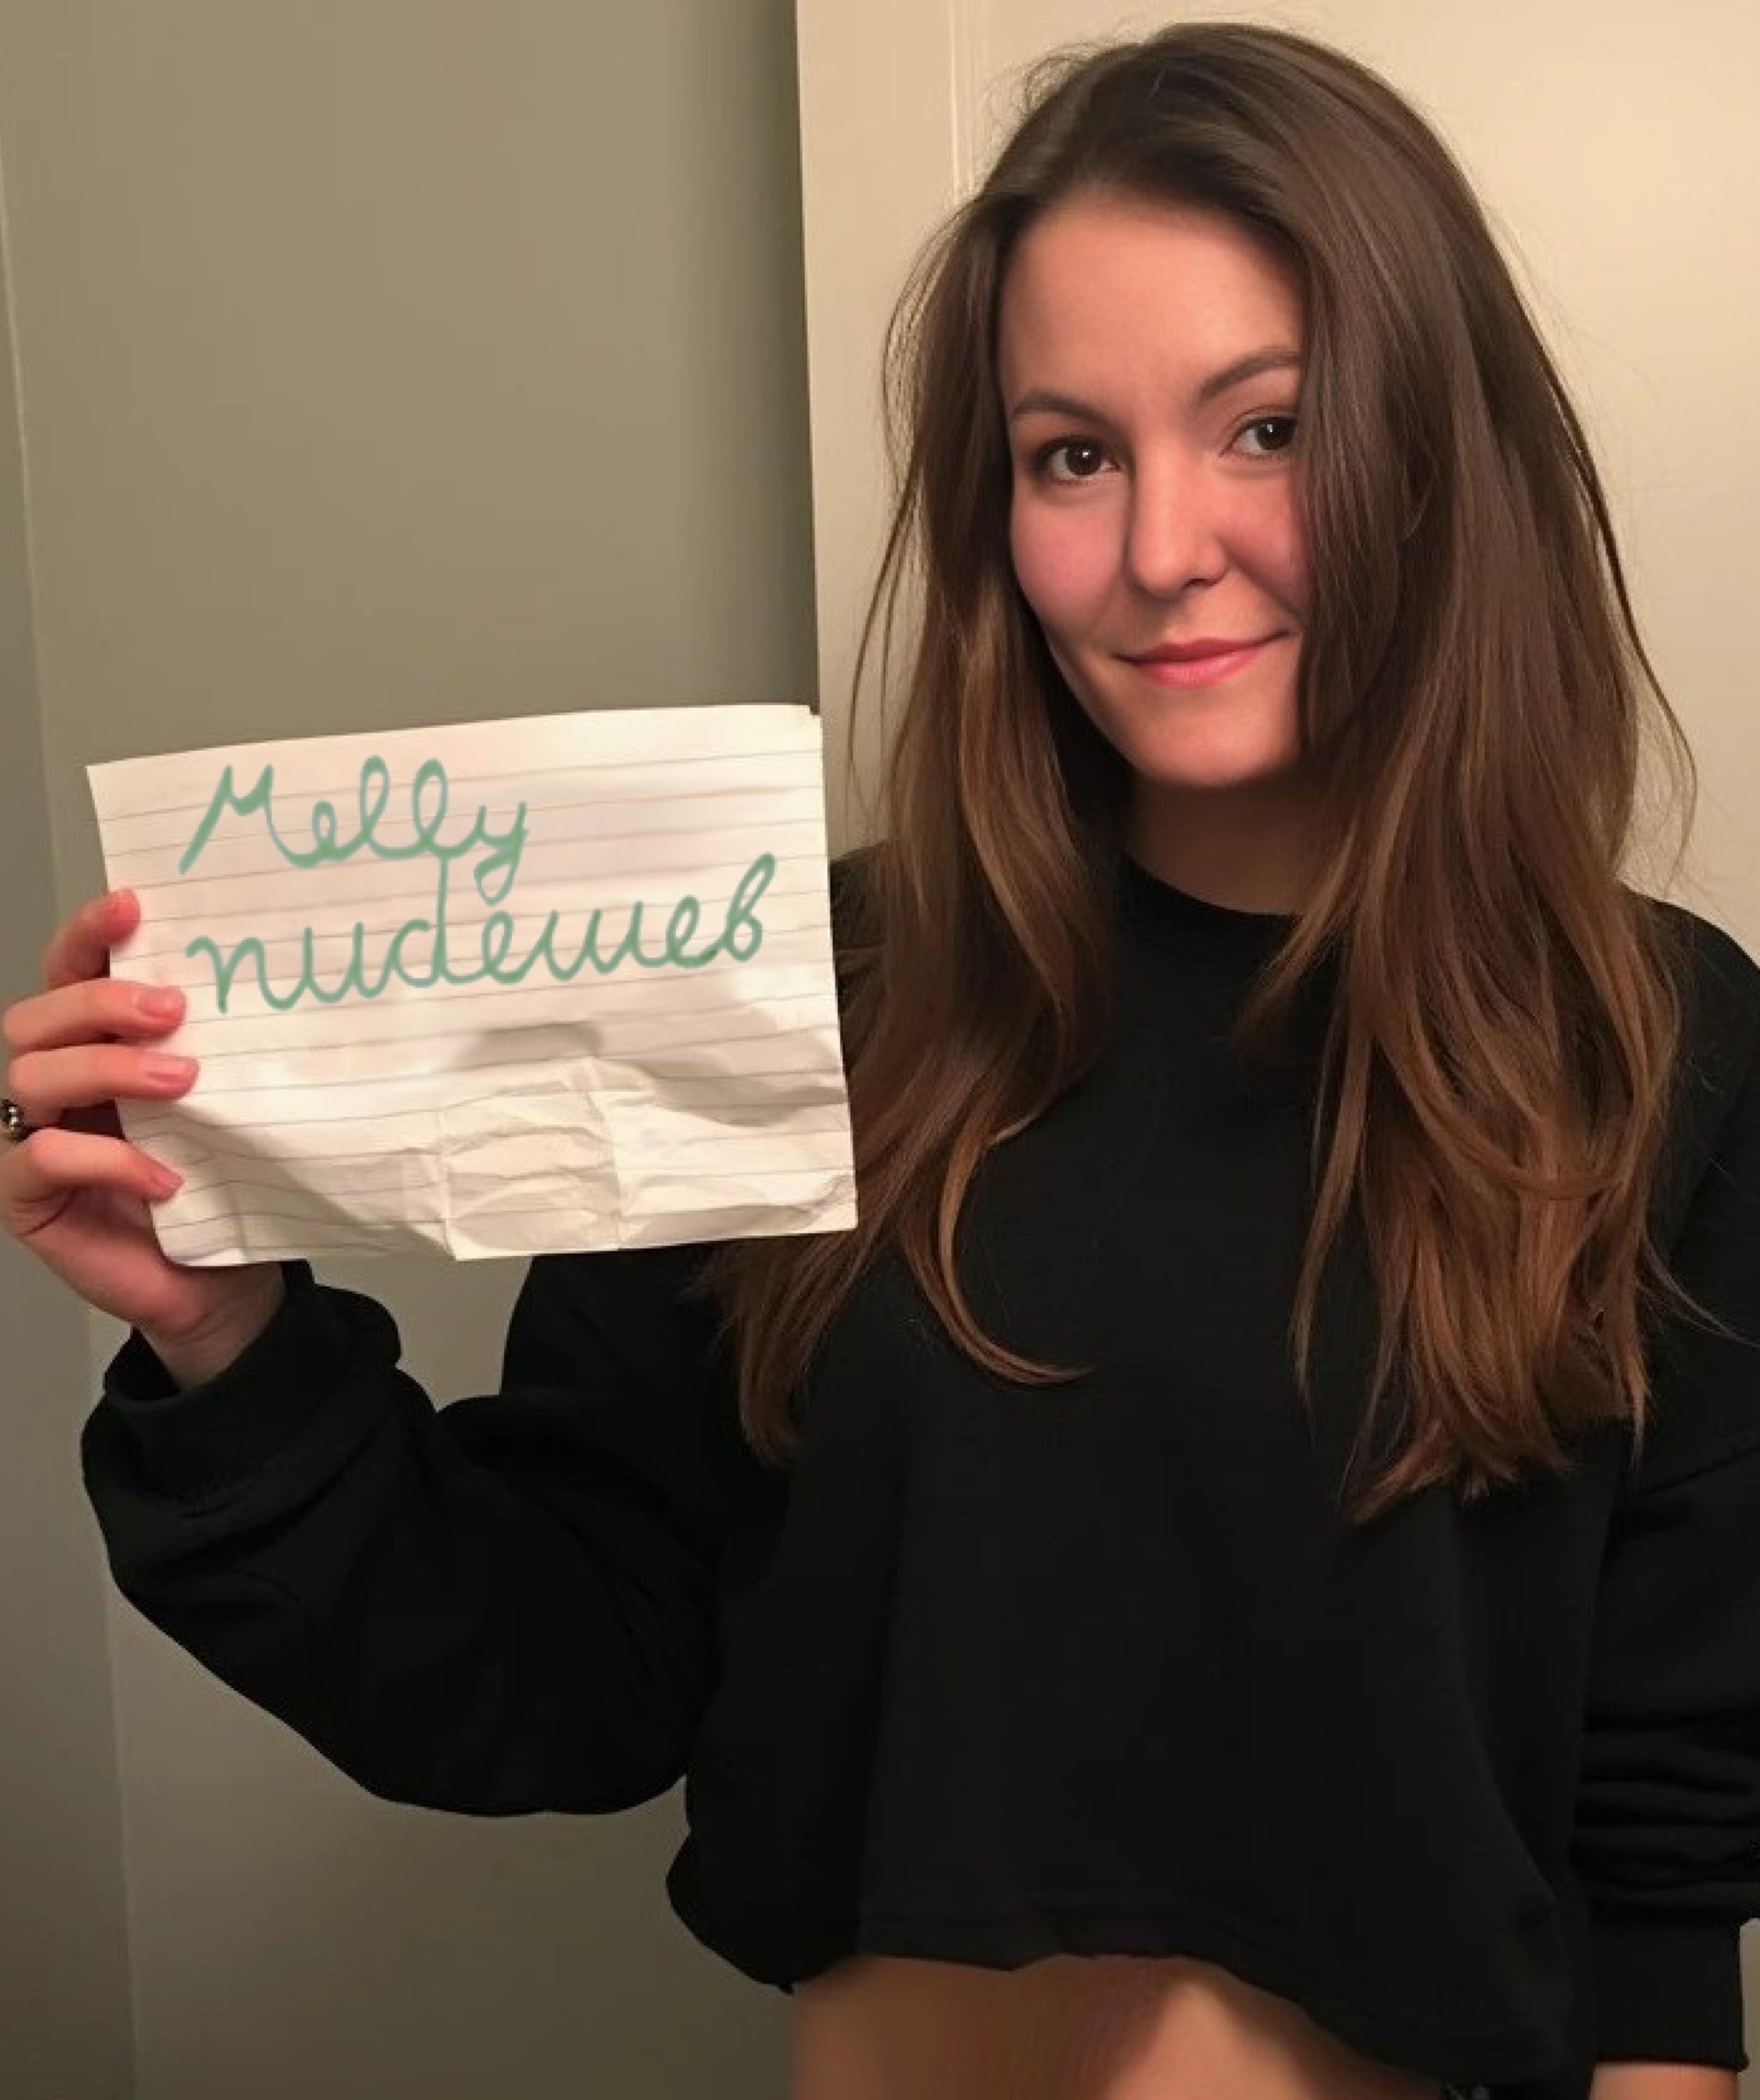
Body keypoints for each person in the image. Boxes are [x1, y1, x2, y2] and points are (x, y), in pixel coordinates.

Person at [4, 18, 1757, 2100]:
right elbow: (571, 1665)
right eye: (1070, 453)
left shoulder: (1652, 1047)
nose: (1164, 547)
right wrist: (225, 1339)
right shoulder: (806, 997)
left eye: (1268, 427)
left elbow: (1663, 1845)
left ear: (1435, 452)